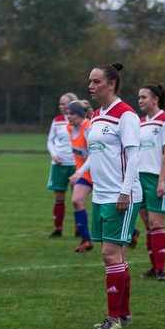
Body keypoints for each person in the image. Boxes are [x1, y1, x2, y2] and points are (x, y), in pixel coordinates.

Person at [80, 63, 142, 329]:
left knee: (109, 254)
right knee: (115, 256)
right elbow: (95, 155)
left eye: (96, 82)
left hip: (121, 195)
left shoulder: (125, 115)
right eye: (90, 81)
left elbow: (133, 155)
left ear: (111, 84)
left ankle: (113, 318)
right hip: (101, 195)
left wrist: (125, 191)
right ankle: (124, 314)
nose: (90, 86)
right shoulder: (96, 115)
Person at [136, 83, 165, 281]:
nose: (140, 101)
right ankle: (153, 267)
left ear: (155, 99)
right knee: (146, 223)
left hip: (156, 177)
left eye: (144, 97)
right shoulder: (140, 122)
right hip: (139, 177)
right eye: (139, 97)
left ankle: (161, 270)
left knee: (156, 222)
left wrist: (162, 180)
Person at [45, 92, 79, 238]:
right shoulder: (57, 120)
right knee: (59, 198)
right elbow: (50, 140)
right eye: (60, 103)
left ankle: (79, 230)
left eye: (64, 103)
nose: (61, 106)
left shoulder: (80, 120)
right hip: (59, 164)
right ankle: (58, 229)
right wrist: (55, 155)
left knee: (77, 199)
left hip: (76, 165)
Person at [66, 100, 94, 253]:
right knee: (77, 201)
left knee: (105, 210)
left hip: (99, 172)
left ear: (81, 115)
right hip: (84, 173)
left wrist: (78, 173)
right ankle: (86, 240)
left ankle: (132, 231)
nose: (69, 117)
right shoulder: (69, 128)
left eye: (72, 114)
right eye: (68, 114)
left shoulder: (88, 127)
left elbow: (94, 155)